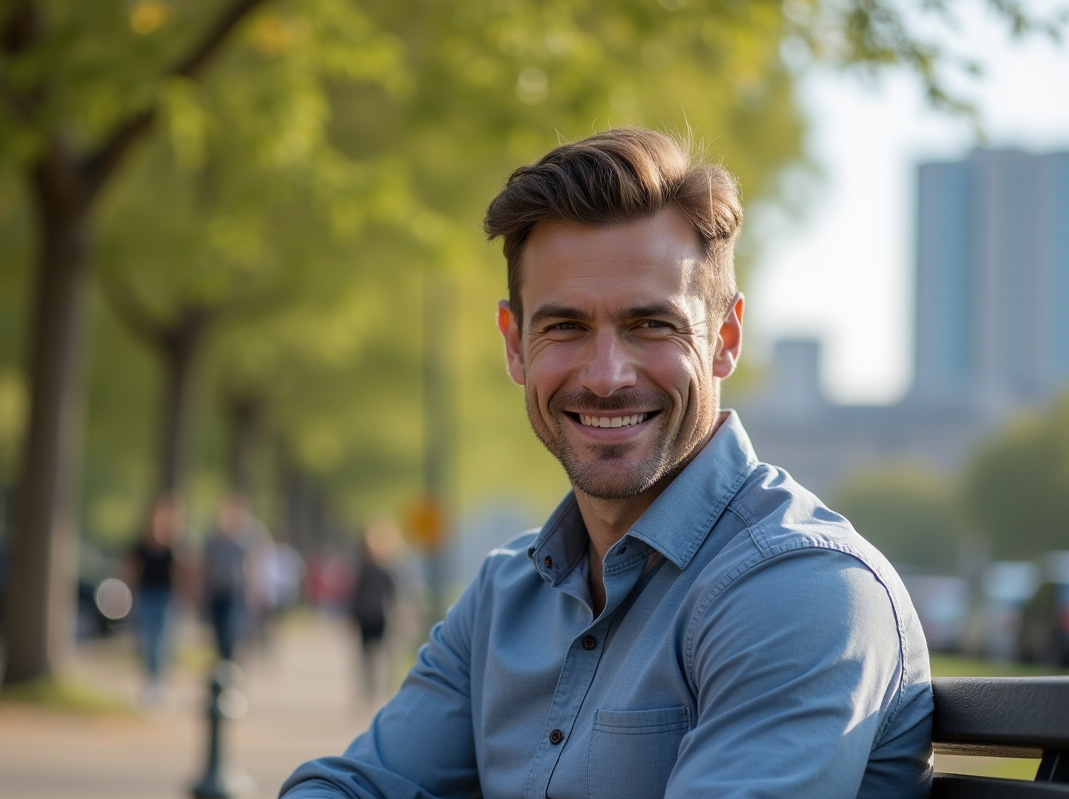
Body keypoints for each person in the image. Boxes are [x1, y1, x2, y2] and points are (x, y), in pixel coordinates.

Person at [281, 128, 933, 799]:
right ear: (515, 345)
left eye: (651, 325)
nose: (605, 376)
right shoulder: (504, 598)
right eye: (565, 327)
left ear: (725, 338)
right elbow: (356, 786)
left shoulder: (802, 591)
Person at [124, 493, 184, 707]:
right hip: (146, 595)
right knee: (147, 640)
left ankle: (159, 683)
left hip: (165, 597)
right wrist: (128, 596)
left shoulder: (173, 546)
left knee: (163, 641)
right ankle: (151, 682)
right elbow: (131, 571)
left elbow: (181, 573)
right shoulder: (141, 545)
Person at [202, 493, 256, 663]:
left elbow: (252, 567)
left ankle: (230, 663)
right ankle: (224, 664)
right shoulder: (213, 540)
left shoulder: (245, 539)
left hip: (235, 592)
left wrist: (252, 591)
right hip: (215, 591)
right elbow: (206, 565)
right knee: (218, 632)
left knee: (231, 630)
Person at [348, 524, 398, 703]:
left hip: (368, 616)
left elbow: (355, 596)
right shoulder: (381, 572)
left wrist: (352, 617)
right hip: (375, 616)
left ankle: (370, 688)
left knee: (367, 655)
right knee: (376, 654)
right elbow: (392, 595)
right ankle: (374, 688)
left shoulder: (364, 571)